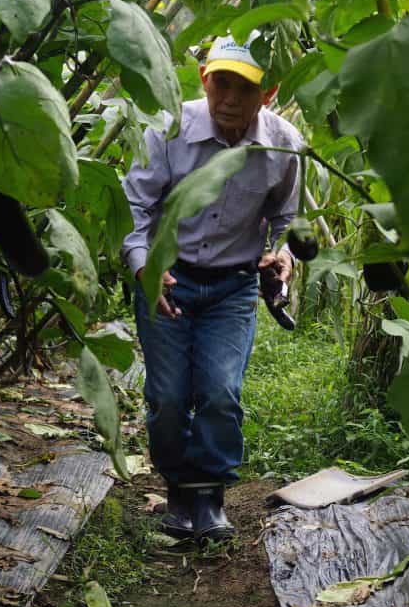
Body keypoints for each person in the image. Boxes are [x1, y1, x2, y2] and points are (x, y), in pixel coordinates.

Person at [121, 36, 302, 542]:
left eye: (244, 87)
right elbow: (135, 210)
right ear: (205, 79)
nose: (229, 98)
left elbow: (286, 218)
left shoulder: (282, 144)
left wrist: (281, 253)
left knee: (221, 392)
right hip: (168, 281)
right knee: (169, 397)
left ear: (267, 95)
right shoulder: (168, 129)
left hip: (233, 286)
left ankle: (210, 493)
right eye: (221, 82)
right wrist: (144, 268)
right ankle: (179, 490)